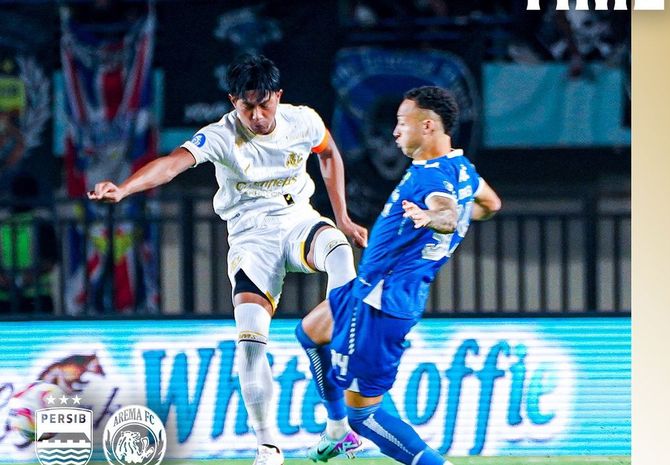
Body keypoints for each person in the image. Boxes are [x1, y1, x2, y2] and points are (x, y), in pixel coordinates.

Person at [88, 54, 368, 465]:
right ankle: (269, 447)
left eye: (263, 104)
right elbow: (170, 166)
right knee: (251, 346)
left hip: (297, 222)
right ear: (233, 100)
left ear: (278, 96)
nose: (256, 115)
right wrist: (125, 189)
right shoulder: (221, 135)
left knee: (340, 250)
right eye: (246, 105)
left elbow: (328, 154)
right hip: (252, 239)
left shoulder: (303, 121)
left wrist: (341, 216)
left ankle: (345, 353)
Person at [296, 86, 501, 464]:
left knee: (366, 414)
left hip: (381, 302)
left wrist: (435, 219)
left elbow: (446, 212)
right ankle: (336, 431)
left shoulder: (432, 181)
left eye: (402, 123)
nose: (395, 132)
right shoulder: (462, 169)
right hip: (368, 291)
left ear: (427, 126)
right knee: (310, 331)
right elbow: (490, 203)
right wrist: (454, 219)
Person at [0, 172, 58, 314]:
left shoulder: (41, 222)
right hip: (26, 297)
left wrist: (21, 280)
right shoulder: (42, 221)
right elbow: (51, 260)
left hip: (34, 297)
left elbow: (50, 259)